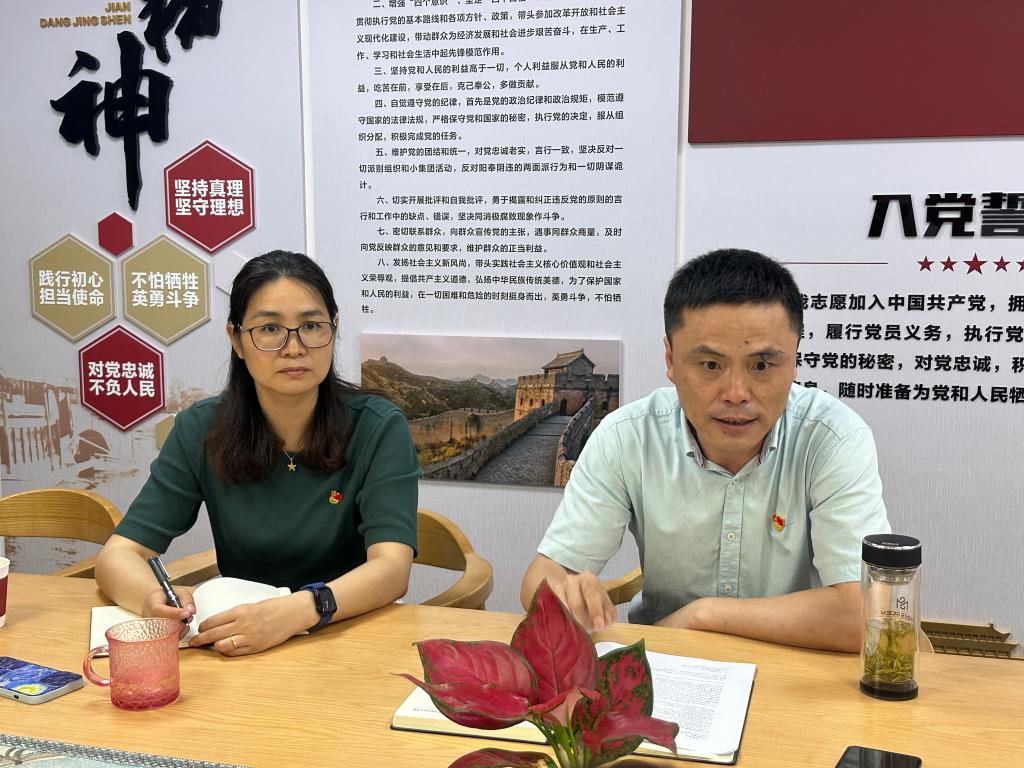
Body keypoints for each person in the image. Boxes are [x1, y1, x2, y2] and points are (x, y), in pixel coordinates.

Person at [520, 248, 890, 652]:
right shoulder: (626, 437)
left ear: (795, 360)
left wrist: (703, 616)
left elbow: (869, 612)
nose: (736, 393)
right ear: (671, 359)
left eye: (762, 365)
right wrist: (565, 594)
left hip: (795, 662)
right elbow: (544, 575)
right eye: (711, 365)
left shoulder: (832, 438)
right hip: (667, 663)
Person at [96, 251, 419, 656]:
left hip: (348, 635)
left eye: (311, 326)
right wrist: (151, 600)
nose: (294, 348)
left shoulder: (378, 426)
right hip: (240, 647)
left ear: (333, 330)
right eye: (269, 328)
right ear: (237, 340)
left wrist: (299, 611)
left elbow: (392, 568)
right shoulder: (201, 428)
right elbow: (119, 555)